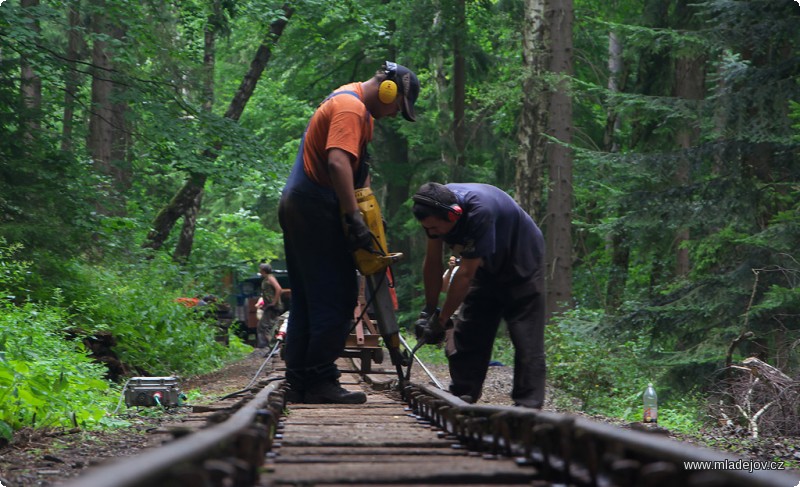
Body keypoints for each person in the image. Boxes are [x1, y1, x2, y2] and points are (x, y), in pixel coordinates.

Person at [278, 61, 420, 404]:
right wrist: (354, 217)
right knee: (337, 296)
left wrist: (370, 217)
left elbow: (359, 171)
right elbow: (338, 162)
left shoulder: (353, 106)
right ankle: (319, 381)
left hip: (302, 204)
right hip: (313, 205)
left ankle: (299, 380)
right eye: (396, 107)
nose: (391, 115)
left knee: (309, 301)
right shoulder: (351, 107)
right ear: (388, 90)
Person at [411, 182, 546, 409]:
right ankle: (464, 391)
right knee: (472, 325)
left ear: (453, 216)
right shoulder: (434, 205)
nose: (431, 233)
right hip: (486, 263)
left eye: (434, 229)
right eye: (427, 229)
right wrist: (430, 310)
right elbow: (433, 263)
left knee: (526, 334)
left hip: (522, 261)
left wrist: (442, 321)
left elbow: (465, 275)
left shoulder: (477, 212)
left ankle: (528, 404)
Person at [256, 263, 282, 348]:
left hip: (273, 306)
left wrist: (274, 302)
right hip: (269, 306)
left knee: (264, 327)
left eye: (260, 269)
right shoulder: (266, 278)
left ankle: (273, 347)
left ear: (263, 270)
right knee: (266, 326)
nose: (259, 270)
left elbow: (278, 289)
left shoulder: (270, 278)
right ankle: (271, 347)